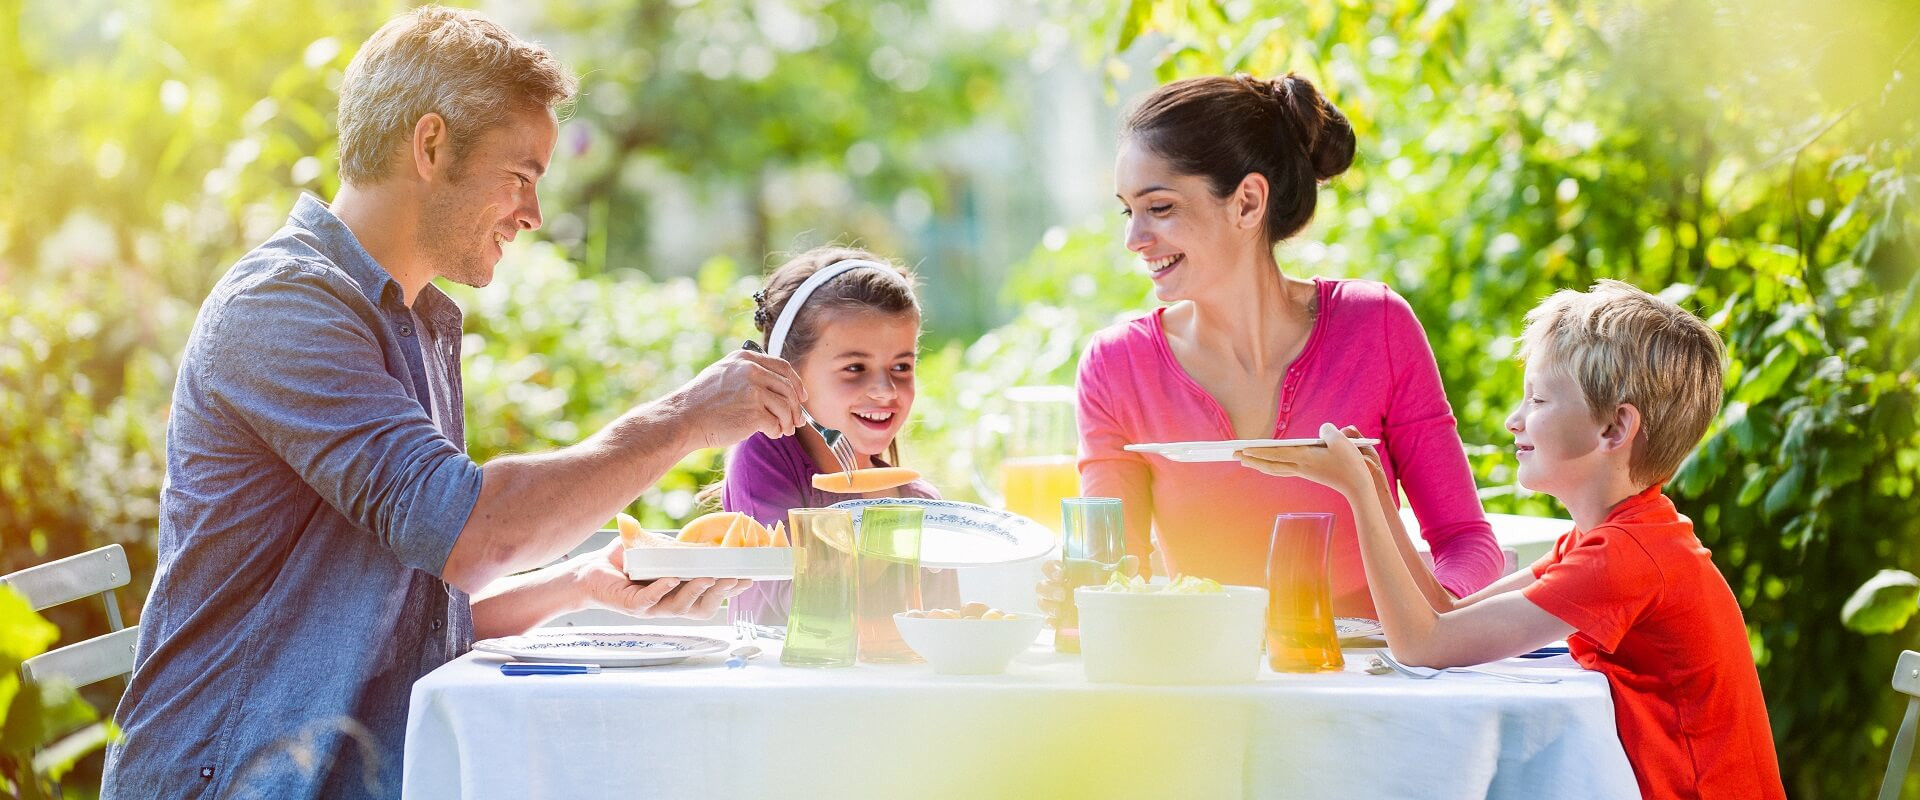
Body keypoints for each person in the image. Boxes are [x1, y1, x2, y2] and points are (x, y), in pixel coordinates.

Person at [103, 8, 800, 798]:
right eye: (522, 176)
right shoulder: (284, 310)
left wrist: (581, 584)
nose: (533, 214)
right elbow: (472, 533)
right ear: (431, 146)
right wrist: (686, 419)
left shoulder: (413, 321)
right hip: (236, 779)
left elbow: (409, 614)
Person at [1241, 281, 1785, 798]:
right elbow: (1444, 614)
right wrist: (1380, 491)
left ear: (1614, 429)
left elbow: (1424, 646)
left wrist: (1355, 495)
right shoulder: (1611, 539)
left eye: (1539, 401)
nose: (1512, 420)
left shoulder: (1626, 557)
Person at [1058, 73, 1500, 616]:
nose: (1134, 239)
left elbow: (1466, 541)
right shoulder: (1116, 367)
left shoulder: (1377, 328)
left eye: (1162, 207)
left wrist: (1435, 617)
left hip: (1376, 682)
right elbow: (1110, 569)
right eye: (1130, 211)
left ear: (1246, 202)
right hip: (1210, 686)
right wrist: (1076, 592)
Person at [716, 247, 958, 624]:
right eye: (855, 367)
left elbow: (947, 631)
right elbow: (807, 604)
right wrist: (892, 536)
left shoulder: (922, 502)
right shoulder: (762, 456)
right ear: (787, 374)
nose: (885, 390)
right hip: (779, 682)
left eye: (901, 366)